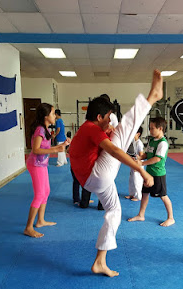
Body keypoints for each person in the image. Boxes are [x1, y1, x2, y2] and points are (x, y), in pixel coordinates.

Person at [69, 70, 163, 277]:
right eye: (108, 119)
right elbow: (114, 151)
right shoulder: (92, 129)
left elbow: (96, 145)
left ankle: (100, 261)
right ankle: (151, 97)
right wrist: (140, 170)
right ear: (99, 117)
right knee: (122, 131)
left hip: (91, 180)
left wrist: (108, 132)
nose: (110, 123)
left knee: (115, 211)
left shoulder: (88, 128)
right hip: (97, 176)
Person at [24, 103, 70, 238]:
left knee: (46, 191)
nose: (55, 115)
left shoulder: (45, 129)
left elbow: (45, 147)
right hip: (35, 165)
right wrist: (56, 149)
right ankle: (28, 227)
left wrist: (63, 145)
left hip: (42, 164)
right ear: (45, 116)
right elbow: (36, 150)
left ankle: (40, 220)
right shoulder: (39, 130)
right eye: (52, 113)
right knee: (39, 195)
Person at [128, 118, 175, 226]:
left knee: (163, 196)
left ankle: (171, 218)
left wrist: (142, 164)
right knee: (144, 194)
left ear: (160, 128)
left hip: (158, 174)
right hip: (149, 173)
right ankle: (141, 215)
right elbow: (148, 154)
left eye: (152, 128)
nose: (150, 130)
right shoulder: (152, 140)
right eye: (150, 128)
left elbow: (157, 158)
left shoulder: (163, 143)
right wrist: (140, 158)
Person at [125, 126, 145, 202]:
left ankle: (138, 196)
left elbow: (141, 155)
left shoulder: (139, 143)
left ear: (138, 134)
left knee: (137, 180)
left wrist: (138, 161)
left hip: (138, 164)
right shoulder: (134, 142)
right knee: (131, 179)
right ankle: (132, 194)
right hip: (133, 163)